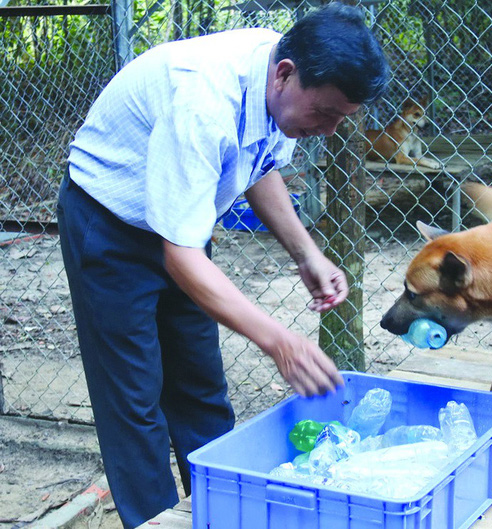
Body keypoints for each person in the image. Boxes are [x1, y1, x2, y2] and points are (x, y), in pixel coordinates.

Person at [56, 3, 389, 527]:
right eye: (325, 114)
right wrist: (281, 340)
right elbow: (181, 257)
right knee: (135, 405)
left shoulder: (283, 75)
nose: (327, 129)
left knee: (201, 388)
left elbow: (257, 164)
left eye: (340, 119)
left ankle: (223, 513)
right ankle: (156, 520)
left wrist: (307, 253)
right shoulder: (203, 100)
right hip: (110, 225)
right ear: (285, 76)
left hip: (180, 223)